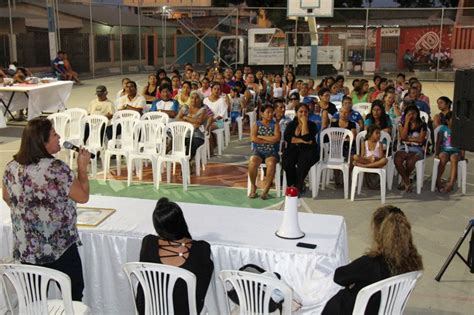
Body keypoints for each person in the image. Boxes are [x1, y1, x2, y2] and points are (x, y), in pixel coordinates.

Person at [2, 118, 91, 301]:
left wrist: (28, 213)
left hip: (27, 247)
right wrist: (82, 169)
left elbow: (6, 197)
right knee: (73, 295)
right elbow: (82, 196)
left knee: (34, 298)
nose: (59, 137)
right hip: (59, 247)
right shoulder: (56, 169)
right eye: (54, 134)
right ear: (42, 142)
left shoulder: (11, 167)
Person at [322, 205, 423, 315]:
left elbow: (339, 277)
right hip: (387, 309)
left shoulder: (371, 263)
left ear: (379, 233)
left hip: (361, 310)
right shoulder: (413, 261)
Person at [136, 198, 214, 315]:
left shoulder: (148, 243)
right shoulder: (201, 249)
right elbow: (202, 289)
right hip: (185, 311)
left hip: (148, 309)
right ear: (182, 221)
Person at [281, 103, 319, 195]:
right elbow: (288, 138)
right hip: (293, 149)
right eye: (301, 111)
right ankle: (292, 184)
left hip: (309, 150)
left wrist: (304, 123)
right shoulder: (291, 124)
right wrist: (303, 141)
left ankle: (297, 187)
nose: (303, 114)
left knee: (302, 164)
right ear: (296, 113)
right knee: (287, 162)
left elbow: (306, 138)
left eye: (306, 112)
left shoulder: (312, 125)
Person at [248, 105, 281, 200]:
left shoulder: (275, 125)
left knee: (271, 163)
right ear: (262, 114)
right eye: (268, 112)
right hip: (258, 151)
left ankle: (266, 190)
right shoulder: (257, 124)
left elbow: (276, 138)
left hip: (272, 151)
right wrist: (269, 140)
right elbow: (253, 138)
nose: (270, 114)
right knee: (252, 162)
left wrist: (261, 137)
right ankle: (253, 186)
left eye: (272, 112)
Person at [394, 105, 428, 192]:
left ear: (417, 114)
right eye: (409, 113)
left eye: (414, 113)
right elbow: (403, 137)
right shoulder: (402, 124)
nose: (411, 115)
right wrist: (406, 122)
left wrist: (408, 139)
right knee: (397, 159)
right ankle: (407, 181)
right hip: (404, 147)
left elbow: (420, 140)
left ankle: (404, 181)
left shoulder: (422, 125)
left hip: (417, 149)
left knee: (410, 162)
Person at [435, 112, 464, 193]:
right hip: (445, 151)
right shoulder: (443, 129)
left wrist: (462, 156)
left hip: (456, 152)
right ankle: (438, 180)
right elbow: (438, 142)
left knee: (453, 158)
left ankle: (451, 183)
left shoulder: (459, 129)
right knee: (442, 157)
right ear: (447, 121)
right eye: (452, 120)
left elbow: (462, 144)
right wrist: (437, 154)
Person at [177, 91, 208, 161]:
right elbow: (178, 119)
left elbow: (199, 121)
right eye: (192, 97)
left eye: (197, 98)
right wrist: (191, 122)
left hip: (197, 136)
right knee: (174, 140)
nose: (194, 100)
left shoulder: (203, 110)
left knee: (191, 143)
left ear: (201, 100)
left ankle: (187, 163)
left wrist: (185, 118)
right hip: (185, 134)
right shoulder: (185, 107)